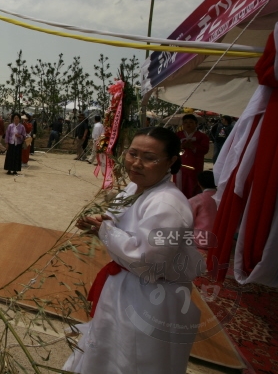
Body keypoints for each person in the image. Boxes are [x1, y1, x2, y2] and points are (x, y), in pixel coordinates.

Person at [66, 127, 202, 374]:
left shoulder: (168, 204)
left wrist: (105, 230)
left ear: (171, 161)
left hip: (149, 296)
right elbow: (117, 220)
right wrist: (100, 222)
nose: (136, 164)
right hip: (123, 285)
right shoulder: (133, 189)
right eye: (132, 154)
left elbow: (149, 259)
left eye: (149, 158)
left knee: (136, 359)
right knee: (107, 350)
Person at [174, 114, 210, 199]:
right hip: (180, 165)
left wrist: (193, 147)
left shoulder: (202, 136)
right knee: (179, 185)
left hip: (195, 165)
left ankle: (193, 202)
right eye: (185, 122)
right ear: (182, 124)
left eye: (191, 122)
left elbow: (205, 150)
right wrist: (181, 146)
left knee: (193, 185)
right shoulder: (177, 135)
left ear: (196, 124)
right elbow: (171, 147)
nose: (188, 124)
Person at [189, 170, 218, 249]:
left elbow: (187, 220)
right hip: (220, 239)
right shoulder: (224, 198)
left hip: (200, 240)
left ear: (199, 183)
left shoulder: (196, 200)